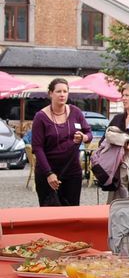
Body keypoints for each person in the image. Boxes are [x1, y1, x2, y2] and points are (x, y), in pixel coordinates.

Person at [31, 78, 92, 206]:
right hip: (48, 171)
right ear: (50, 93)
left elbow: (89, 133)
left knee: (71, 212)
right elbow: (37, 148)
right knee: (50, 212)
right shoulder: (40, 117)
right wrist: (49, 173)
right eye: (58, 91)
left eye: (65, 91)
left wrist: (84, 137)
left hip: (72, 171)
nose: (62, 94)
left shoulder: (76, 112)